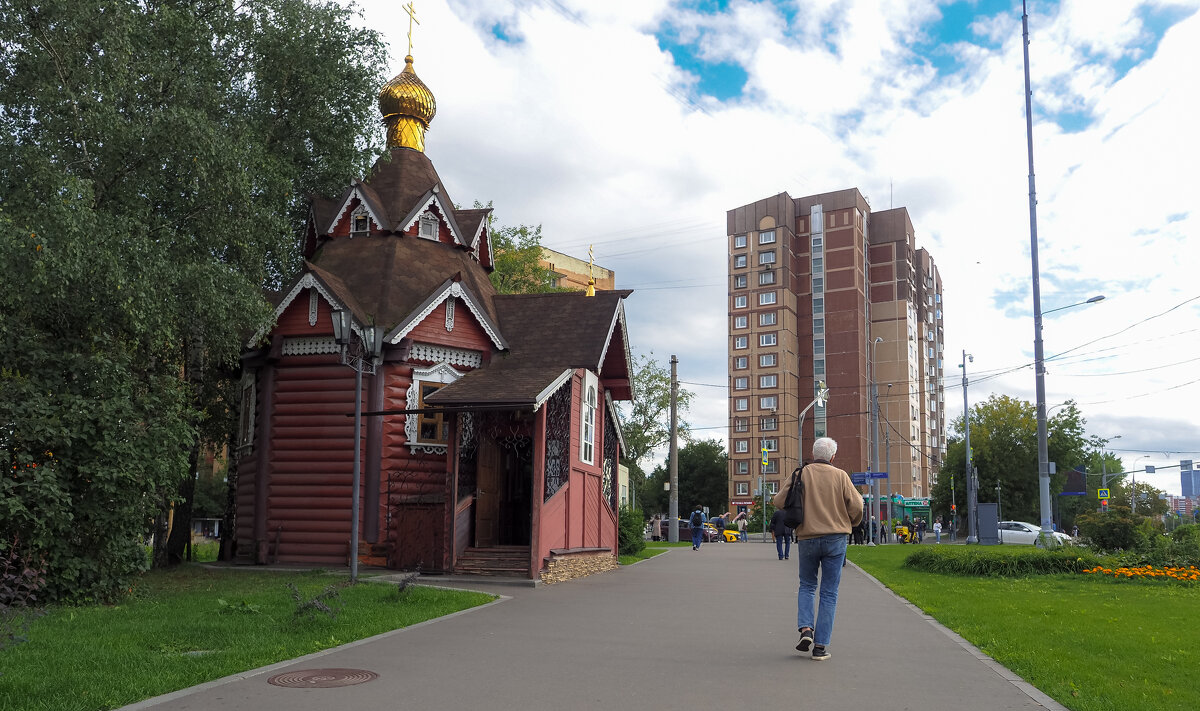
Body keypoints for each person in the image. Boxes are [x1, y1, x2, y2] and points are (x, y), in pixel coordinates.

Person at [772, 437, 863, 661]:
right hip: (836, 538)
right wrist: (851, 522)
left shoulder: (800, 474)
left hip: (807, 537)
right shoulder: (841, 475)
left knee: (807, 585)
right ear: (833, 457)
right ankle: (821, 647)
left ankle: (806, 630)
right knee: (829, 592)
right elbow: (858, 505)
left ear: (813, 454)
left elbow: (778, 501)